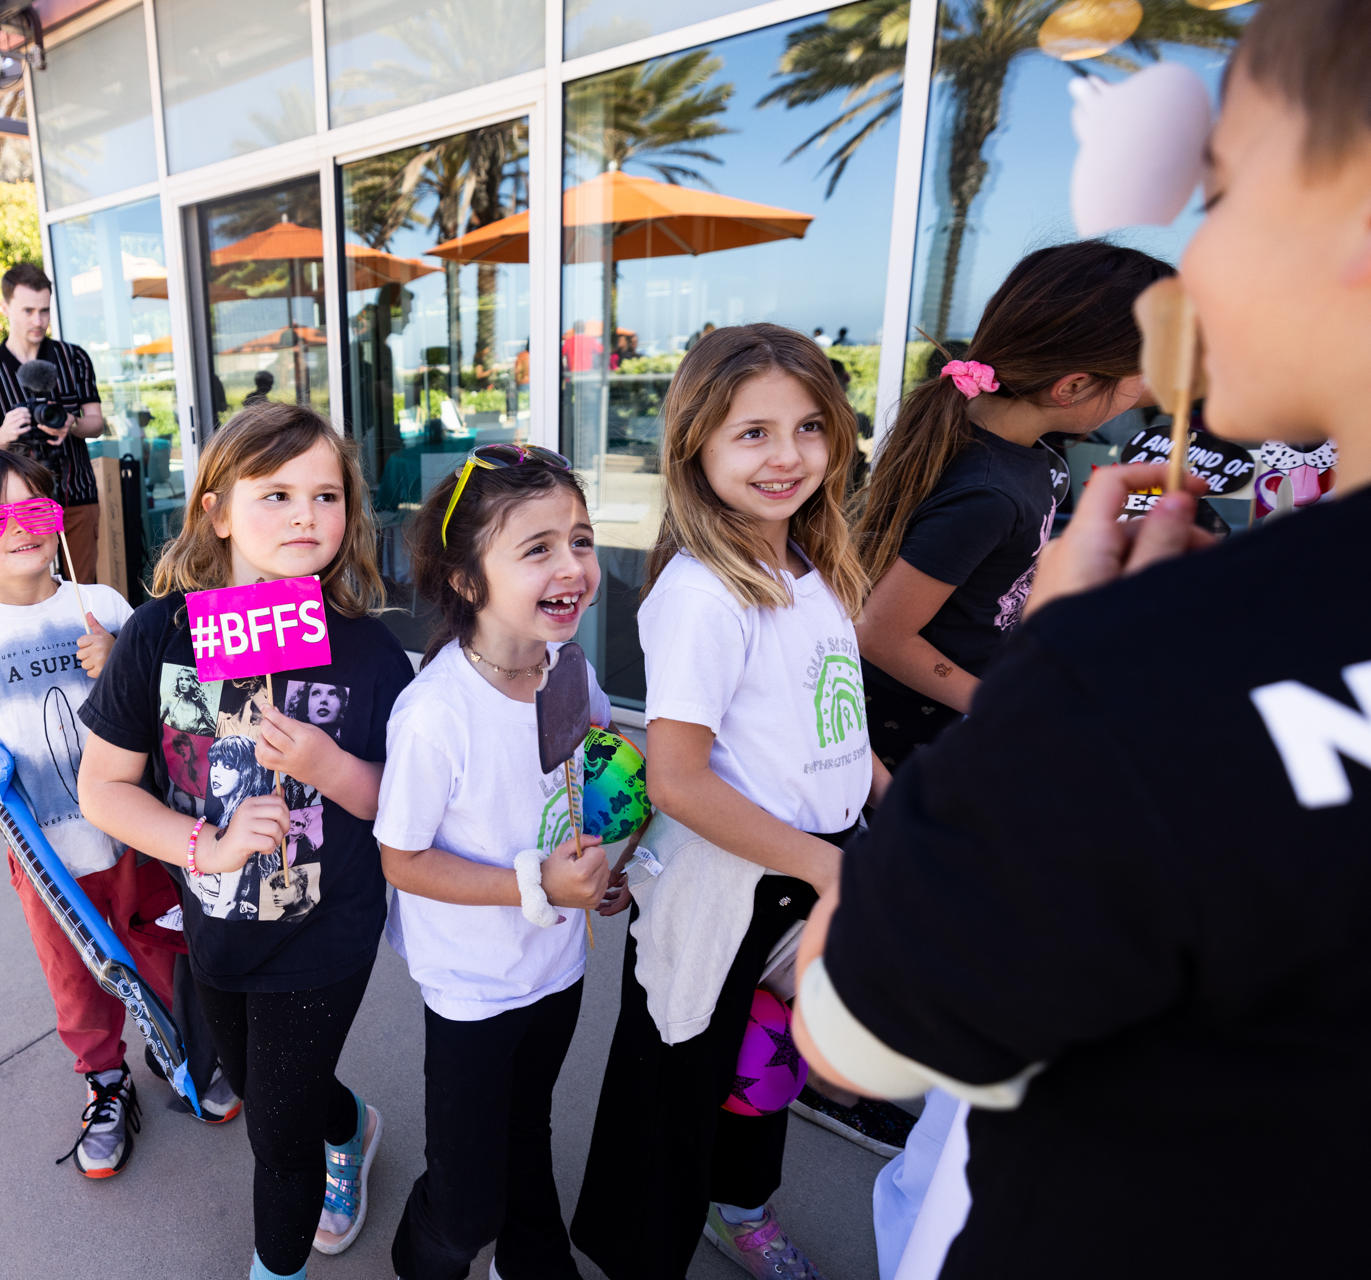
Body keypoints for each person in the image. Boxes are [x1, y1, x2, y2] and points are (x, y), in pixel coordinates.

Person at [790, 2, 1371, 1274]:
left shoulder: (1154, 665)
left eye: (1218, 187)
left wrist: (1064, 684)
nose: (1198, 264)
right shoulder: (1041, 532)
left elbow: (854, 1024)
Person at [571, 324, 890, 1280]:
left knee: (766, 1071)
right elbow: (676, 778)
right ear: (696, 447)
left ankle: (740, 1208)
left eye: (807, 427)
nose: (786, 455)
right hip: (729, 883)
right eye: (751, 433)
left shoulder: (815, 566)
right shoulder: (705, 593)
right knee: (675, 1081)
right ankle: (642, 1255)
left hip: (813, 871)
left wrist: (895, 804)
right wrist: (830, 866)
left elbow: (835, 721)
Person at [76, 402, 414, 1280]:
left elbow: (402, 809)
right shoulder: (159, 636)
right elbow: (103, 788)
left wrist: (329, 764)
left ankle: (281, 1260)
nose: (307, 515)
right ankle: (352, 1123)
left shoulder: (372, 655)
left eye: (327, 494)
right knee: (259, 1082)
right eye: (277, 494)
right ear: (218, 512)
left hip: (325, 927)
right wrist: (205, 847)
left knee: (276, 1134)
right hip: (216, 919)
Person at [0, 448, 238, 1182]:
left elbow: (173, 708)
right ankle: (106, 1081)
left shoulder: (105, 607)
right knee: (77, 979)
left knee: (166, 951)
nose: (21, 527)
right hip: (49, 857)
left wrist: (119, 657)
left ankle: (182, 1047)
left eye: (36, 509)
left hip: (138, 837)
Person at [375, 443, 624, 1280]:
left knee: (530, 1128)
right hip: (473, 990)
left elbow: (598, 760)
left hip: (556, 963)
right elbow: (402, 859)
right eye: (538, 548)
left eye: (580, 540)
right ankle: (431, 1256)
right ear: (468, 581)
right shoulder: (435, 715)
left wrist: (608, 860)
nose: (573, 566)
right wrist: (538, 883)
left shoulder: (569, 670)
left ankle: (534, 1256)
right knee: (465, 1197)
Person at [852, 242, 1171, 770]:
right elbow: (880, 633)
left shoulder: (1035, 459)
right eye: (1145, 370)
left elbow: (1000, 570)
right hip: (915, 731)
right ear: (1072, 385)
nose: (1149, 389)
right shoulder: (987, 492)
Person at [0, 263, 107, 583]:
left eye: (44, 311)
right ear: (4, 308)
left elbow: (96, 423)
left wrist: (71, 423)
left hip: (77, 492)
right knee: (28, 588)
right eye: (28, 310)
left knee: (81, 584)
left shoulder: (74, 358)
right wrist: (5, 433)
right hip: (16, 506)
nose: (38, 320)